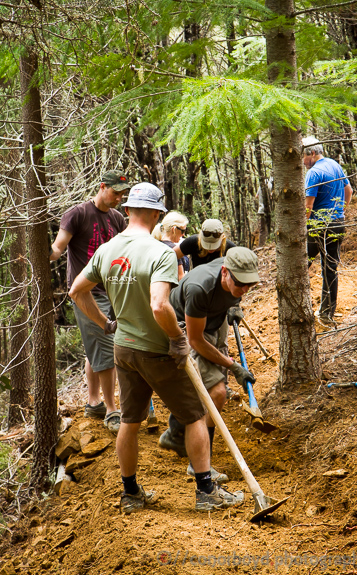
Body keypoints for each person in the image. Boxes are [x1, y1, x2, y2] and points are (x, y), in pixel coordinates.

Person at [69, 182, 244, 513]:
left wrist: (106, 324)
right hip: (155, 350)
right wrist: (178, 339)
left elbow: (77, 291)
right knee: (194, 415)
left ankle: (130, 493)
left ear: (129, 210)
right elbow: (160, 306)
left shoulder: (107, 249)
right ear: (155, 214)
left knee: (129, 421)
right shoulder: (159, 252)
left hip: (124, 349)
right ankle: (206, 491)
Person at [159, 247, 258, 483]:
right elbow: (195, 340)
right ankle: (199, 464)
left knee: (213, 383)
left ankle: (175, 434)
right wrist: (233, 366)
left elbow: (235, 291)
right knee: (217, 392)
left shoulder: (236, 268)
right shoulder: (199, 288)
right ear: (225, 272)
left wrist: (234, 305)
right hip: (185, 327)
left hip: (214, 318)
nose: (245, 290)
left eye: (250, 285)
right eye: (241, 284)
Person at [50, 170, 130, 432]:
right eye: (115, 192)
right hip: (86, 293)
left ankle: (94, 402)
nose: (119, 198)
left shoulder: (117, 219)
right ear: (102, 186)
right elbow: (58, 248)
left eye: (122, 193)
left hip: (113, 291)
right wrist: (44, 250)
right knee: (107, 347)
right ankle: (111, 409)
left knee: (95, 347)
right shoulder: (78, 214)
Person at [302, 136, 353, 326]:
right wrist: (341, 211)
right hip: (338, 223)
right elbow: (349, 191)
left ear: (312, 153)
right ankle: (326, 314)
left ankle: (299, 310)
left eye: (303, 157)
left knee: (299, 267)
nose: (303, 162)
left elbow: (308, 206)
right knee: (330, 269)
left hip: (318, 227)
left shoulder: (314, 173)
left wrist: (301, 230)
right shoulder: (335, 165)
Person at [152, 211, 189, 280]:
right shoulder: (174, 250)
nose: (183, 234)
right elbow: (180, 278)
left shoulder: (155, 245)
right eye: (182, 231)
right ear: (174, 229)